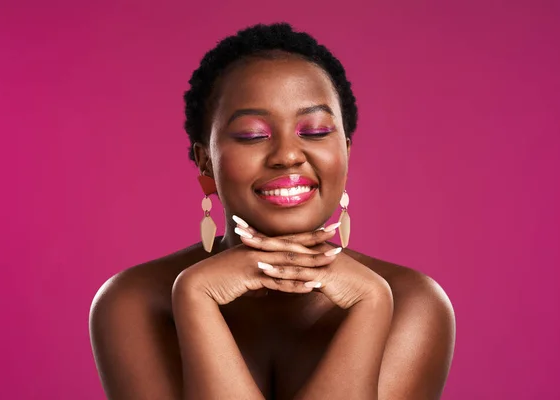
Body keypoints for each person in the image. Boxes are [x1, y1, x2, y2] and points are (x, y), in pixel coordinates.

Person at [89, 22, 456, 400]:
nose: (287, 156)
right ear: (205, 162)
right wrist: (196, 296)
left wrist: (371, 307)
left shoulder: (410, 303)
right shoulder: (134, 304)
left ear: (345, 151)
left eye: (314, 132)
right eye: (252, 135)